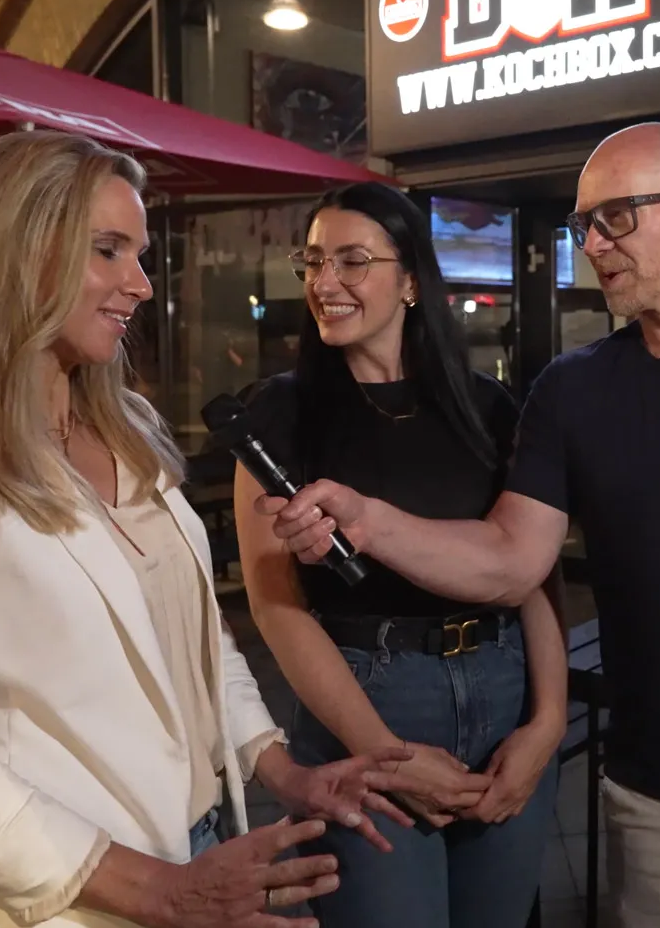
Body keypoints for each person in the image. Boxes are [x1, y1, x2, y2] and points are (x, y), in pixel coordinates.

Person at [261, 123, 660, 927]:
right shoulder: (571, 392)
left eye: (616, 218)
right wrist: (368, 521)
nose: (593, 245)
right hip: (655, 803)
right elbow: (512, 561)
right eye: (584, 225)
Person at [0, 131, 432, 928]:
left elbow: (193, 636)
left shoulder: (128, 425)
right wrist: (161, 892)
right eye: (107, 250)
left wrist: (281, 770)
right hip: (63, 899)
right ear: (10, 253)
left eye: (139, 255)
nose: (141, 285)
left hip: (198, 847)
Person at [231, 182, 565, 928]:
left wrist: (547, 721)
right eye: (314, 261)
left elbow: (533, 578)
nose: (325, 282)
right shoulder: (279, 413)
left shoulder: (489, 406)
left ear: (411, 279)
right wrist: (384, 753)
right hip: (369, 697)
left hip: (502, 685)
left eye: (352, 261)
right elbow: (276, 608)